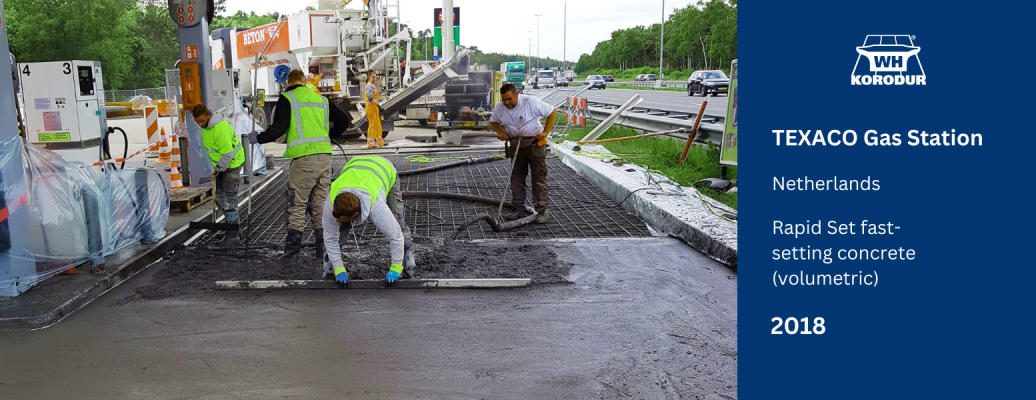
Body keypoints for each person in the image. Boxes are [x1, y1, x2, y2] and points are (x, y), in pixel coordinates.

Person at [250, 68, 352, 260]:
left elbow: (277, 129)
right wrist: (328, 137)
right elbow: (343, 120)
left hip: (304, 162)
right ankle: (323, 253)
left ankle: (291, 255)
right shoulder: (320, 99)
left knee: (296, 204)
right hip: (325, 159)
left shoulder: (288, 98)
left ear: (288, 83)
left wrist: (258, 138)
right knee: (320, 206)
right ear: (304, 82)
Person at [322, 156, 415, 284]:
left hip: (384, 168)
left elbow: (396, 236)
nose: (336, 221)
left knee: (397, 222)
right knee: (341, 230)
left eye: (340, 219)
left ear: (355, 214)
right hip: (355, 165)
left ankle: (408, 264)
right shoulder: (331, 202)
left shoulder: (376, 206)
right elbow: (330, 237)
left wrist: (395, 268)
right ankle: (330, 268)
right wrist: (339, 268)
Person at [489, 83, 557, 224]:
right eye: (504, 100)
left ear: (517, 94)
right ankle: (518, 208)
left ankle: (542, 210)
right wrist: (500, 132)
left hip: (533, 145)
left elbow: (552, 111)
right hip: (515, 145)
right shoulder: (500, 107)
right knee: (516, 178)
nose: (506, 103)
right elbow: (494, 122)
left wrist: (545, 132)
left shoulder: (530, 102)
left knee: (539, 177)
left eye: (509, 99)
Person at [193, 103, 245, 241]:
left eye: (202, 121)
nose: (200, 124)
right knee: (220, 197)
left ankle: (233, 236)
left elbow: (228, 154)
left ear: (208, 115)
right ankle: (232, 229)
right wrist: (214, 169)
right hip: (221, 165)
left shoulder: (220, 129)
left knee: (228, 198)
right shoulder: (206, 127)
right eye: (197, 122)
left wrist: (217, 170)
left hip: (232, 164)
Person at [363, 72, 385, 148]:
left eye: (375, 77)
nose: (374, 79)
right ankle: (370, 143)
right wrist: (378, 104)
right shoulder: (370, 86)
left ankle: (380, 142)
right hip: (371, 108)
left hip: (374, 108)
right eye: (373, 77)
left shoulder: (372, 86)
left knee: (377, 125)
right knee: (372, 125)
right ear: (369, 78)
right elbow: (370, 97)